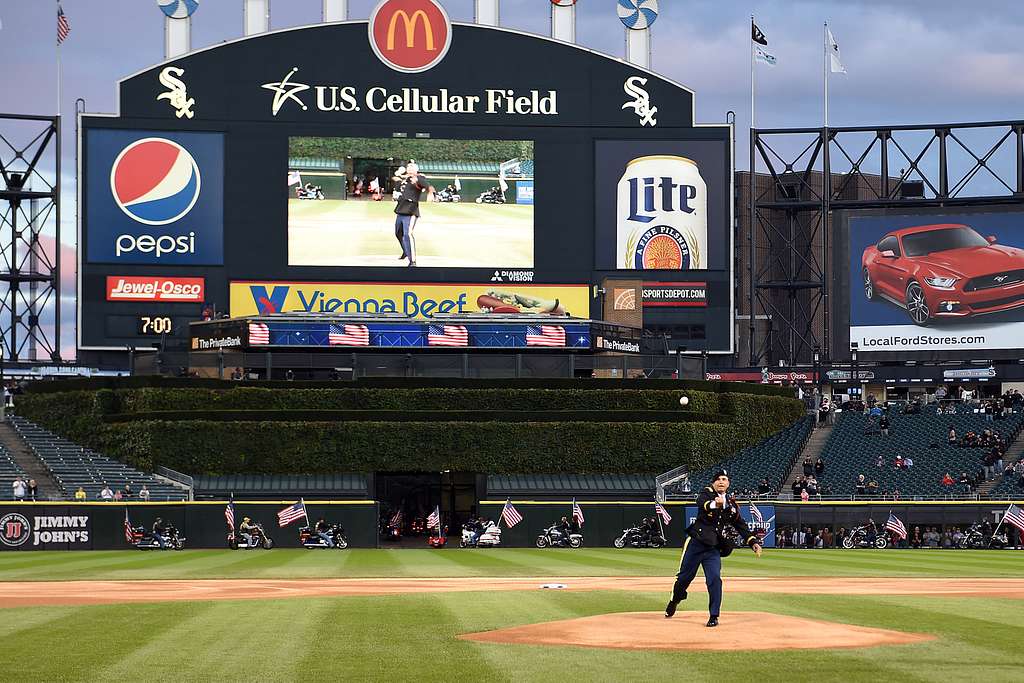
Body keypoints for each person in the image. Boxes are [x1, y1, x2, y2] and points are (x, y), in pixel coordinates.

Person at [665, 469, 762, 627]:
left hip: (712, 548)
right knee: (684, 578)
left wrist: (752, 542)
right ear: (713, 482)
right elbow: (704, 505)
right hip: (696, 544)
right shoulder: (706, 493)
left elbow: (740, 525)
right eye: (718, 479)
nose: (721, 482)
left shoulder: (731, 505)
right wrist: (714, 504)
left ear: (728, 483)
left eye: (724, 479)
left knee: (714, 579)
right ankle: (674, 600)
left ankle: (714, 616)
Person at [392, 161, 434, 267]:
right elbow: (396, 182)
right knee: (398, 233)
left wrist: (430, 193)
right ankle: (406, 251)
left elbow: (428, 186)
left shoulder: (418, 178)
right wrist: (397, 175)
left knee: (408, 234)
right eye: (408, 167)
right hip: (400, 209)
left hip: (410, 211)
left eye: (412, 167)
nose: (410, 168)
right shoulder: (405, 179)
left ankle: (413, 261)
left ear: (416, 170)